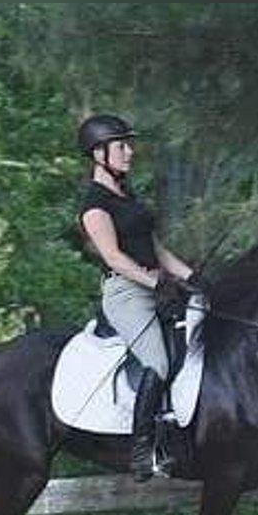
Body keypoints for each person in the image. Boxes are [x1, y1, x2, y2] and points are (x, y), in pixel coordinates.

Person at [76, 113, 200, 481]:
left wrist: (194, 277)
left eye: (129, 145)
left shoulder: (127, 195)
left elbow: (156, 248)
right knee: (158, 363)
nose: (130, 152)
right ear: (100, 153)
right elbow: (113, 256)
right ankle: (141, 449)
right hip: (126, 293)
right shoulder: (94, 205)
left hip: (156, 283)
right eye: (122, 146)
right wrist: (155, 283)